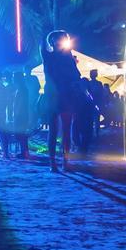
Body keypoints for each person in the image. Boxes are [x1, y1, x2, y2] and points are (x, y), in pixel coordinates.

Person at [41, 30, 82, 172]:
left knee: (66, 130)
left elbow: (77, 75)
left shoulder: (68, 58)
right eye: (56, 39)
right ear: (51, 42)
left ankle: (65, 161)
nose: (59, 42)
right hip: (53, 96)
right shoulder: (48, 56)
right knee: (54, 130)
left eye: (61, 39)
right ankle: (53, 162)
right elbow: (42, 44)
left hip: (65, 96)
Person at [10, 69, 40, 159]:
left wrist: (16, 114)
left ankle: (25, 153)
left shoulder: (22, 89)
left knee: (21, 135)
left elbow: (21, 103)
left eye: (14, 78)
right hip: (22, 115)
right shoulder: (21, 89)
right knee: (21, 135)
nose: (12, 79)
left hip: (21, 115)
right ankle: (24, 152)